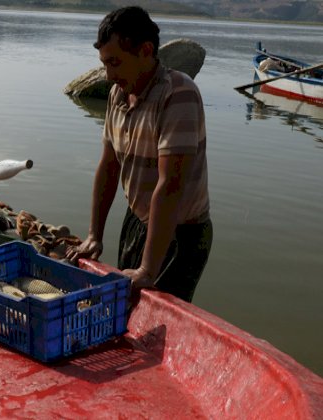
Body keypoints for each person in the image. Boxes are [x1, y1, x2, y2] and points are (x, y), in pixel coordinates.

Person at [66, 6, 213, 302]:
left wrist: (148, 268)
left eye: (115, 63)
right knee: (124, 305)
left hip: (181, 233)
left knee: (156, 315)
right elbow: (108, 166)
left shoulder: (178, 93)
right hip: (137, 220)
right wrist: (95, 234)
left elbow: (170, 185)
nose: (108, 74)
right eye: (105, 64)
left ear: (146, 51)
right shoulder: (117, 95)